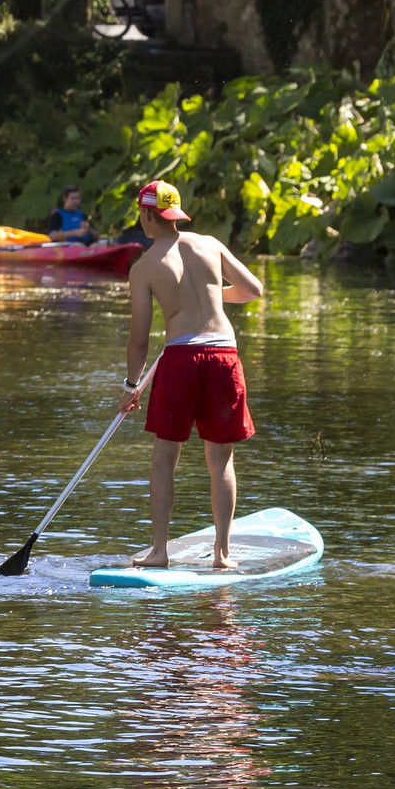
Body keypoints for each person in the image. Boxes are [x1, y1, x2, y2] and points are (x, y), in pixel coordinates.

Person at [118, 177, 265, 571]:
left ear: (148, 216)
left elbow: (139, 341)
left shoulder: (145, 267)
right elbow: (253, 288)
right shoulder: (210, 244)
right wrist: (216, 296)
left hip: (181, 358)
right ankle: (222, 554)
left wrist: (131, 387)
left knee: (165, 456)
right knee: (221, 459)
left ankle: (160, 551)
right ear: (174, 215)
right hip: (223, 354)